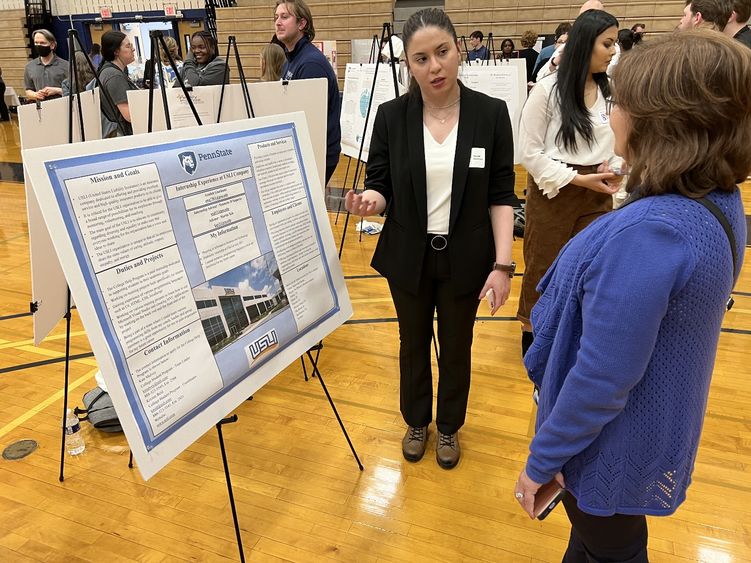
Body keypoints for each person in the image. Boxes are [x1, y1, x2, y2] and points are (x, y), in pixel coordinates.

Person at [515, 30, 749, 561]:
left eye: (621, 101)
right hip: (644, 434)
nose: (611, 111)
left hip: (605, 449)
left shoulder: (652, 231)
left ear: (660, 121)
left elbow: (601, 376)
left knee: (612, 549)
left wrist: (542, 458)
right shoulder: (717, 200)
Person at [344, 8, 518, 469]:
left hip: (468, 257)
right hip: (409, 257)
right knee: (412, 343)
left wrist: (503, 266)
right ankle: (416, 420)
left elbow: (501, 195)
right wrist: (370, 202)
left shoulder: (491, 114)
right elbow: (380, 184)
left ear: (459, 49)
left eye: (442, 52)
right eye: (420, 58)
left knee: (457, 348)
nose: (434, 66)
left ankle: (448, 428)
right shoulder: (391, 117)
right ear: (408, 65)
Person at [517, 9, 621, 356]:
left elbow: (621, 142)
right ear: (583, 44)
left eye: (614, 44)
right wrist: (579, 179)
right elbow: (529, 154)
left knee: (592, 268)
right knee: (543, 265)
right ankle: (534, 337)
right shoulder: (547, 90)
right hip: (554, 193)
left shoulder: (611, 92)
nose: (612, 52)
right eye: (607, 43)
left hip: (598, 193)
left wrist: (617, 169)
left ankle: (573, 336)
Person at [275, 0, 341, 185]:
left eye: (285, 17)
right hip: (306, 151)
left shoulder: (310, 63)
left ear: (302, 24)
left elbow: (309, 122)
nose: (278, 22)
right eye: (276, 17)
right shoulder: (291, 60)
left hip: (317, 154)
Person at [99, 31, 139, 136]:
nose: (133, 49)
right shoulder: (114, 76)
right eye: (128, 46)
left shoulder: (113, 72)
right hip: (124, 135)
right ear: (116, 51)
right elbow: (130, 115)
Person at [24, 29, 68, 102]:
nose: (39, 46)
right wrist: (35, 94)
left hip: (62, 106)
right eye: (36, 43)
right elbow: (28, 90)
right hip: (41, 108)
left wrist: (57, 90)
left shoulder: (66, 66)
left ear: (52, 45)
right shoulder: (29, 67)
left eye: (42, 43)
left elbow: (74, 91)